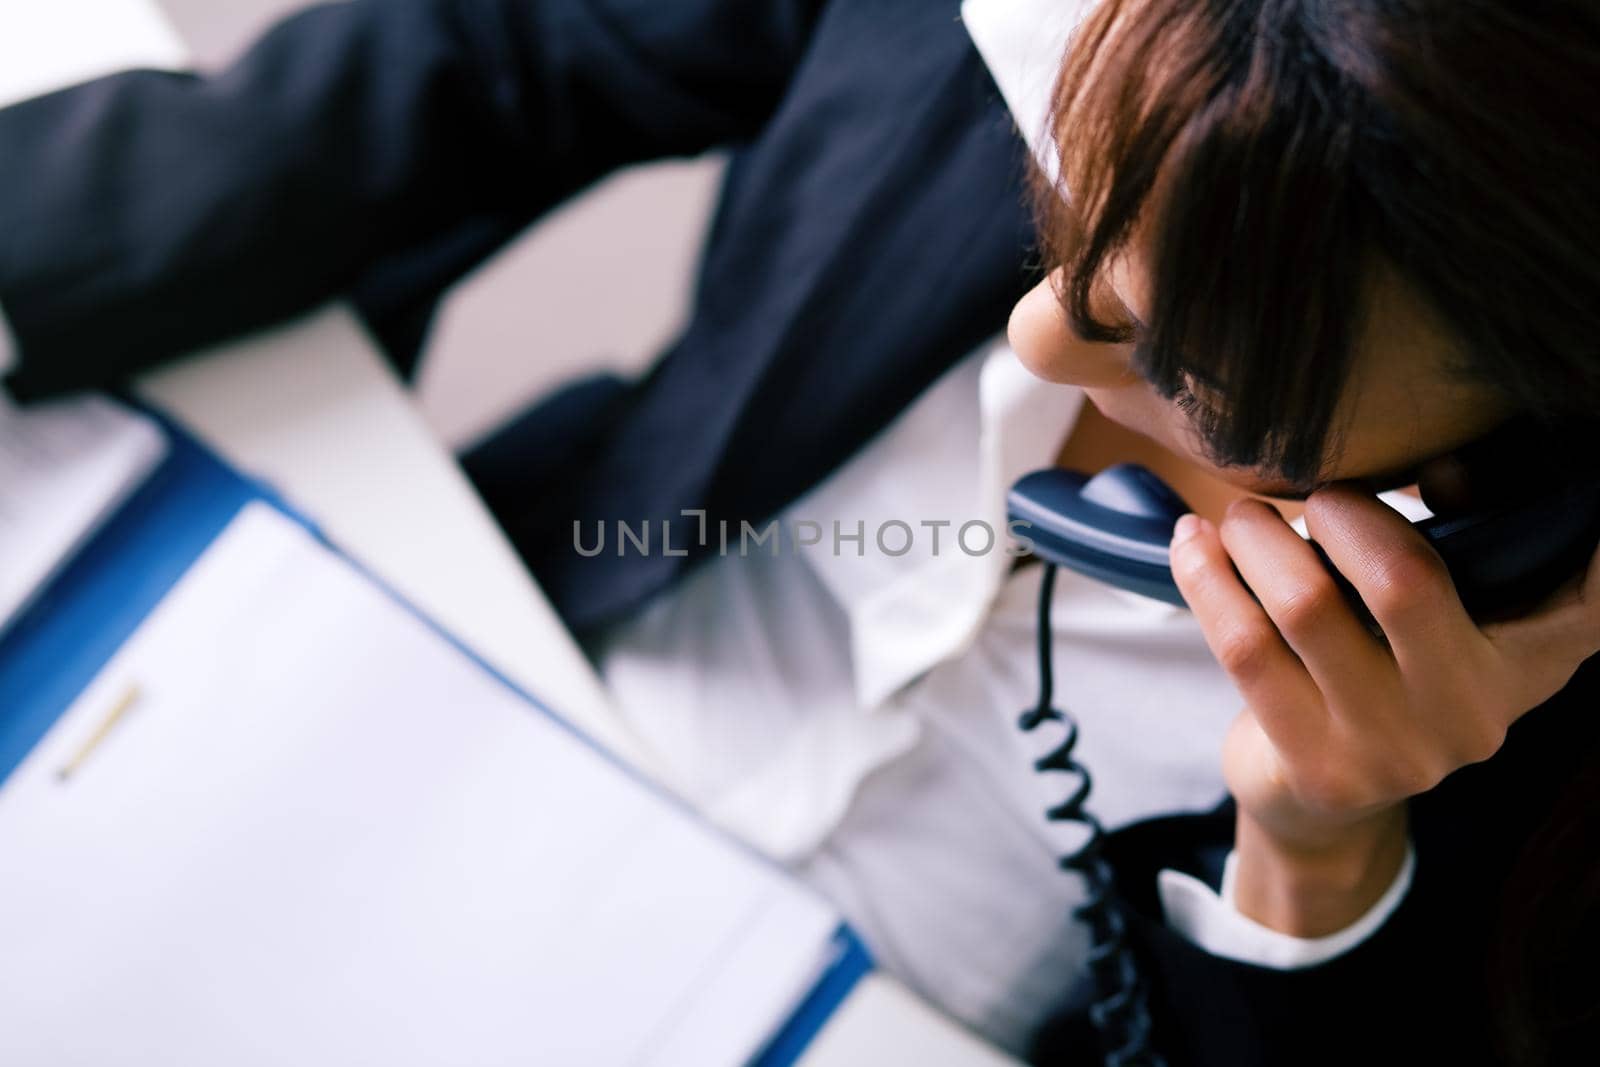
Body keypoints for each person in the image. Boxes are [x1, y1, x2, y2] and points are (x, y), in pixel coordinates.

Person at [0, 0, 1595, 1063]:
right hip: (448, 687)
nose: (1040, 348)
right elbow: (500, 58)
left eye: (1197, 382)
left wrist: (1321, 853)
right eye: (1059, 207)